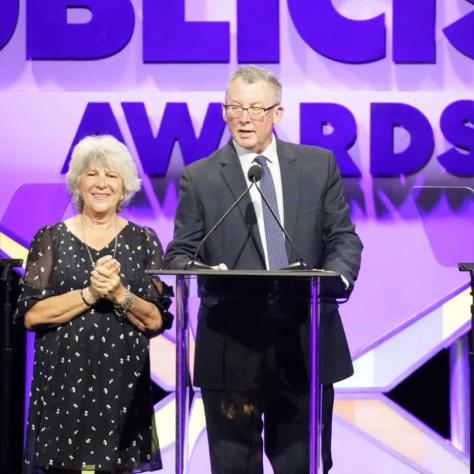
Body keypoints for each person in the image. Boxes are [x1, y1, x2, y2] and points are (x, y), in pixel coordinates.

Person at [165, 66, 362, 473]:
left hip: (303, 340)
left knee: (301, 464)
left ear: (278, 113)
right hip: (230, 343)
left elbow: (342, 237)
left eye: (255, 107)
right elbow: (180, 252)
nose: (244, 117)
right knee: (234, 465)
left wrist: (337, 276)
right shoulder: (199, 177)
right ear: (223, 112)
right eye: (234, 107)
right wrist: (202, 268)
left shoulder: (317, 165)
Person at [14, 134, 173, 474]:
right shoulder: (50, 237)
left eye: (111, 175)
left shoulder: (144, 240)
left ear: (124, 185)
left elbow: (156, 320)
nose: (101, 183)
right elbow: (31, 315)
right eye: (92, 174)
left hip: (123, 386)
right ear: (78, 182)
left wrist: (119, 294)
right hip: (62, 387)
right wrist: (89, 294)